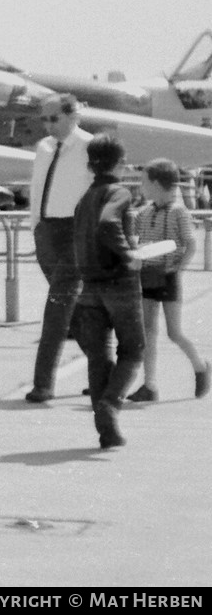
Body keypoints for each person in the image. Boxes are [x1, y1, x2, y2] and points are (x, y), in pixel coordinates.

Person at [71, 134, 145, 449]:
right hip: (120, 283)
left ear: (90, 165)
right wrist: (129, 253)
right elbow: (107, 223)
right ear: (121, 164)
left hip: (89, 285)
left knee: (97, 357)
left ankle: (107, 431)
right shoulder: (119, 192)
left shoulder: (84, 198)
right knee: (133, 349)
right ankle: (111, 404)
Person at [25, 93, 93, 402]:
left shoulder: (90, 147)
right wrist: (36, 226)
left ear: (72, 116)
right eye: (44, 119)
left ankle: (43, 383)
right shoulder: (43, 148)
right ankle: (104, 370)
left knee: (56, 307)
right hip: (47, 232)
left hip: (74, 233)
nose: (48, 125)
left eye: (54, 118)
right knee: (73, 311)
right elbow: (37, 189)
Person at [127, 159, 209, 402]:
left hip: (168, 277)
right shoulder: (144, 212)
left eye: (144, 182)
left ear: (154, 184)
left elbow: (190, 243)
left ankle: (201, 366)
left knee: (174, 332)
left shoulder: (178, 212)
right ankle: (149, 385)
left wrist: (178, 268)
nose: (141, 188)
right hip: (148, 276)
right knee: (148, 331)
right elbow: (135, 240)